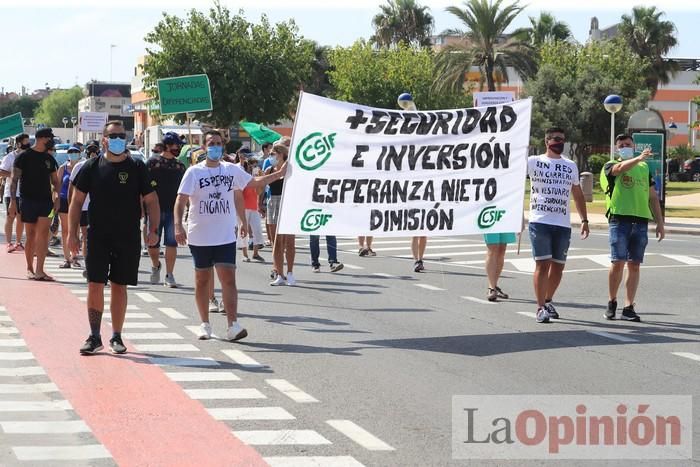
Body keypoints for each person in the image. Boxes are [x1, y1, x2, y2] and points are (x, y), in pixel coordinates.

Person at [174, 129, 285, 340]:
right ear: (204, 147)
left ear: (222, 146)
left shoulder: (231, 170)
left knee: (229, 279)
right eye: (210, 143)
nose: (215, 146)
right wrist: (178, 226)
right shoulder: (194, 172)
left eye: (218, 143)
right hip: (200, 235)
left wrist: (279, 174)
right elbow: (180, 200)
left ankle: (232, 324)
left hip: (224, 235)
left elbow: (254, 183)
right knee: (202, 281)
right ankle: (204, 324)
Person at [69, 121, 160, 355]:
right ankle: (94, 335)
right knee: (95, 284)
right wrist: (71, 234)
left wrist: (153, 229)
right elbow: (76, 201)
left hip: (127, 236)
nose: (118, 139)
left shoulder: (137, 167)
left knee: (119, 286)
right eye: (113, 136)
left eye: (122, 135)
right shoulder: (91, 166)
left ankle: (117, 336)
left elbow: (152, 201)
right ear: (104, 140)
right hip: (98, 234)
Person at [527, 127, 589, 323]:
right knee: (542, 265)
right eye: (556, 139)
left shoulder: (570, 165)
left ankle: (547, 300)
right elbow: (513, 182)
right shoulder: (533, 162)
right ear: (547, 141)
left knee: (558, 267)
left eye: (562, 139)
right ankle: (539, 308)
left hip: (562, 224)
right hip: (540, 221)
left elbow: (577, 194)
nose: (559, 142)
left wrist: (584, 220)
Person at [601, 134, 665, 322]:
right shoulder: (610, 165)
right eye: (621, 145)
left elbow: (653, 197)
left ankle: (629, 306)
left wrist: (660, 222)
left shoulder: (644, 168)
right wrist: (637, 158)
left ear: (634, 145)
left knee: (634, 264)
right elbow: (619, 169)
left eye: (628, 144)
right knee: (617, 262)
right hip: (619, 219)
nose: (624, 147)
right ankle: (612, 301)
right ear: (616, 148)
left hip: (640, 221)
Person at [9, 128, 60, 281]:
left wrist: (57, 197)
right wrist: (13, 202)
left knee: (43, 235)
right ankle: (30, 268)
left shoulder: (49, 159)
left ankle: (40, 270)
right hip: (27, 200)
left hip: (45, 201)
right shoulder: (23, 157)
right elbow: (14, 180)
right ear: (41, 138)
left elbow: (55, 181)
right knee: (30, 235)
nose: (51, 140)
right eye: (49, 138)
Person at [146, 131, 186, 287]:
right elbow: (143, 187)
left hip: (173, 211)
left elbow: (185, 190)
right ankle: (156, 265)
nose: (179, 148)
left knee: (171, 243)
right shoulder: (152, 163)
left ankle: (169, 275)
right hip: (154, 210)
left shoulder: (180, 166)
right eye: (177, 145)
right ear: (168, 145)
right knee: (153, 244)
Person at [267, 142, 296, 286]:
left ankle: (290, 273)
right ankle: (279, 274)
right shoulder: (269, 169)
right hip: (273, 203)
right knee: (276, 243)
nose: (271, 156)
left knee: (289, 242)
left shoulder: (290, 169)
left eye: (274, 153)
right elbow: (260, 189)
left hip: (288, 203)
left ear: (282, 154)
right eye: (271, 153)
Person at [0, 134, 28, 252]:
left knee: (21, 218)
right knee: (11, 216)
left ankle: (18, 242)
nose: (28, 144)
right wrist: (13, 175)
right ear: (18, 144)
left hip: (24, 192)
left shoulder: (28, 157)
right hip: (10, 192)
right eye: (25, 142)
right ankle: (9, 242)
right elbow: (1, 172)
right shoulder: (10, 157)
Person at [56, 146, 83, 268]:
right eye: (71, 152)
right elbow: (56, 185)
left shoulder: (82, 167)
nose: (73, 154)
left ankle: (74, 257)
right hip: (63, 200)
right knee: (65, 230)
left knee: (76, 230)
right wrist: (55, 199)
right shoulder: (63, 168)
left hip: (77, 201)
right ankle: (67, 258)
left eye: (75, 152)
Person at [483, 232, 516, 301]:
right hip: (492, 222)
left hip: (506, 221)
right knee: (493, 248)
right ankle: (491, 288)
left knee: (502, 249)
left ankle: (494, 286)